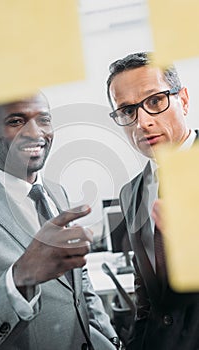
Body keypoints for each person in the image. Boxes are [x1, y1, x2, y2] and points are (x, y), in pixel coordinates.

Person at [0, 91, 120, 350]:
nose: (35, 132)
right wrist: (19, 278)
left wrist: (110, 338)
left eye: (44, 119)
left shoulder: (56, 193)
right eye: (16, 121)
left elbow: (80, 284)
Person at [107, 52, 199, 350]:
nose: (142, 122)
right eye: (126, 111)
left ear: (183, 100)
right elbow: (146, 296)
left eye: (155, 101)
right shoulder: (131, 193)